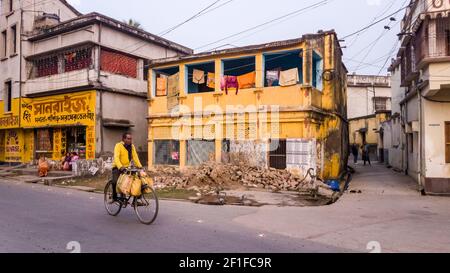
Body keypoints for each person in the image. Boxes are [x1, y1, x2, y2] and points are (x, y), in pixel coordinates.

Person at [111, 132, 143, 201]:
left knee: (136, 181)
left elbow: (135, 157)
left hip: (127, 167)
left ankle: (136, 200)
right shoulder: (118, 145)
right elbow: (116, 157)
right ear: (123, 139)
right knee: (115, 181)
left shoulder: (132, 146)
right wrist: (120, 167)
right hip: (117, 167)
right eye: (128, 139)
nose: (130, 140)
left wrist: (140, 166)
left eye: (131, 139)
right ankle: (114, 197)